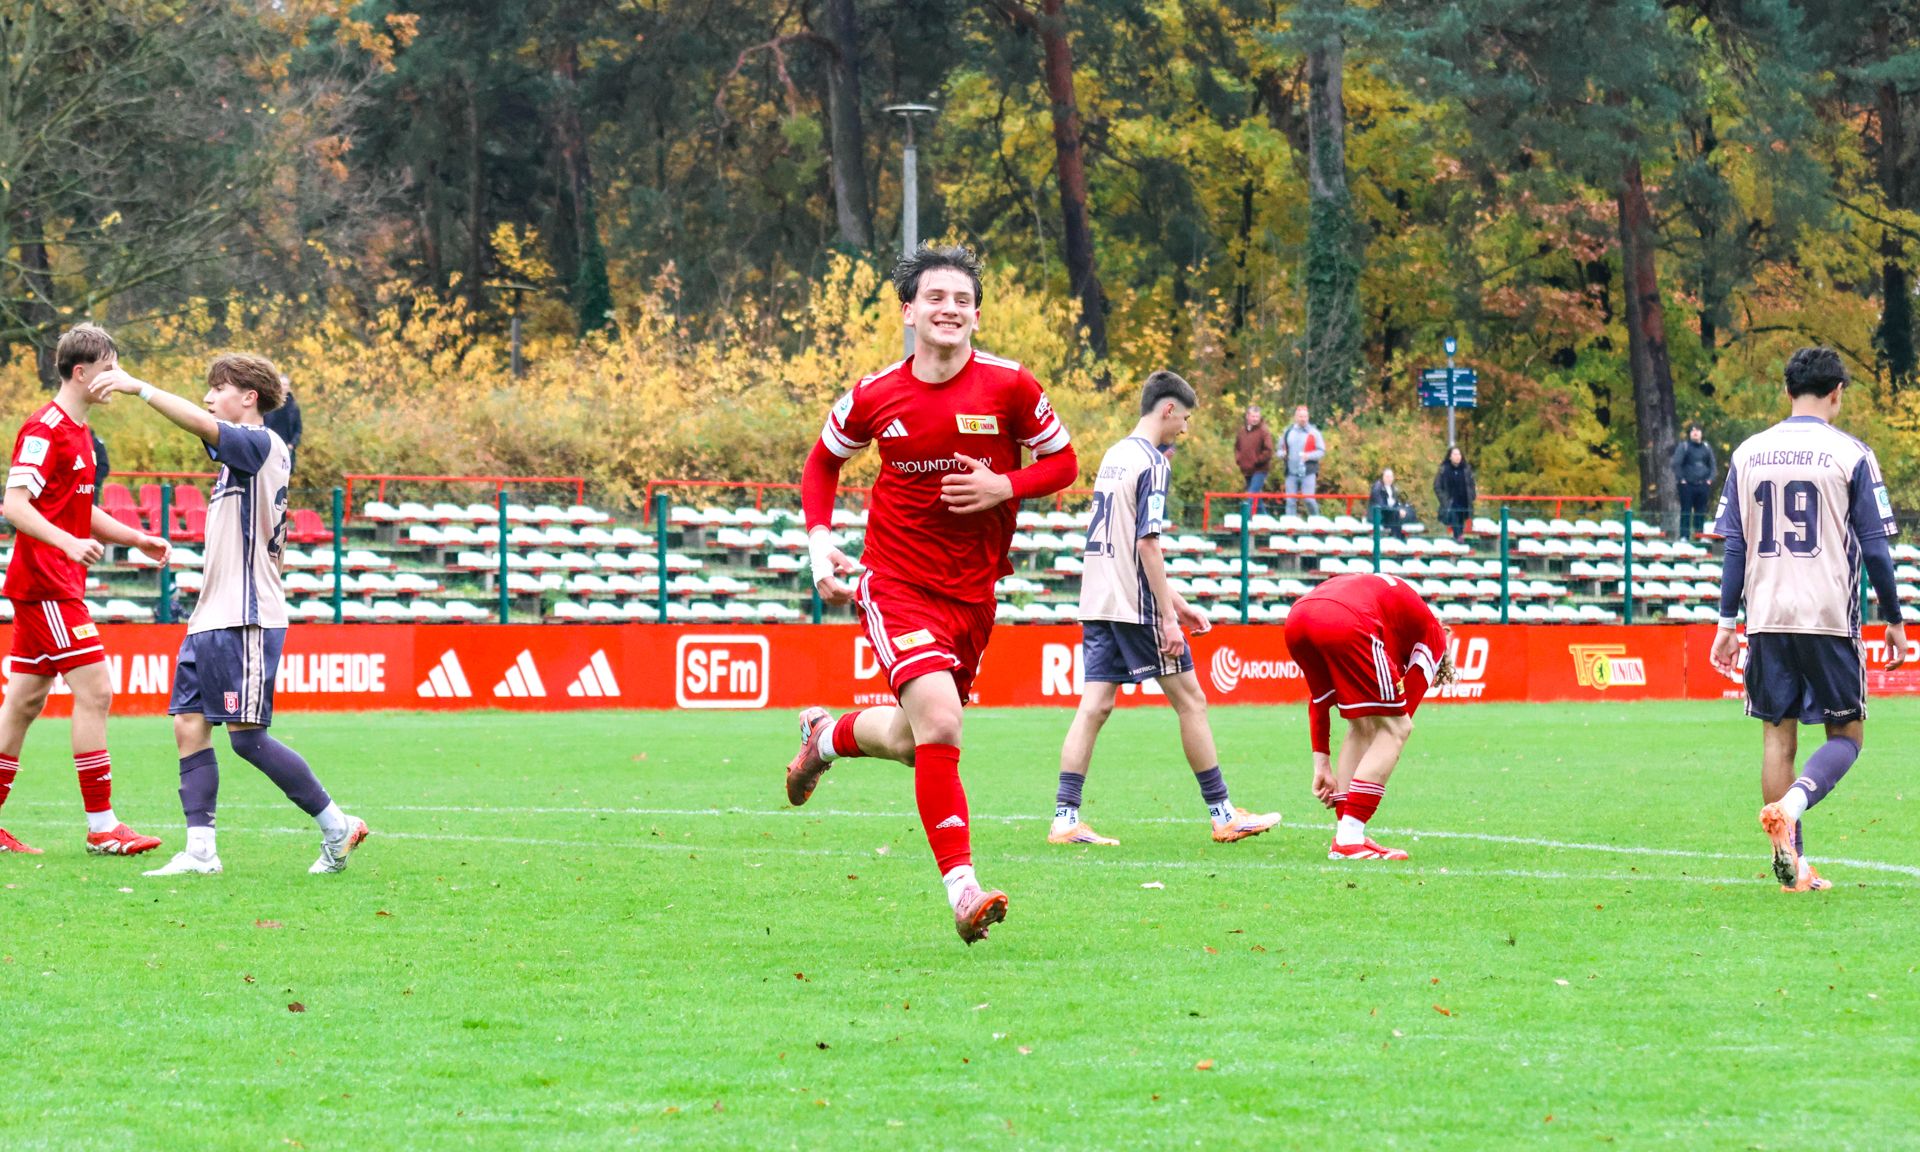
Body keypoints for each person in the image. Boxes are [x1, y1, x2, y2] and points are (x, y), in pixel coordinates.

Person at [783, 244, 1078, 945]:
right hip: (895, 582)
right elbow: (824, 460)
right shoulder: (876, 394)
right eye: (935, 298)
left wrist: (1004, 485)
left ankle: (824, 736)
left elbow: (1065, 463)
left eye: (962, 299)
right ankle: (963, 890)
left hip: (973, 595)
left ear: (976, 313)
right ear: (909, 311)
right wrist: (820, 539)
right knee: (942, 723)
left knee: (921, 741)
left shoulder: (1010, 386)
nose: (950, 309)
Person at [90, 354, 369, 877]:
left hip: (243, 617)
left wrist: (137, 387)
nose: (209, 397)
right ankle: (200, 851)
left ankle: (337, 825)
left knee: (247, 738)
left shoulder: (261, 443)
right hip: (211, 617)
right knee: (189, 725)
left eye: (218, 388)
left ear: (249, 398)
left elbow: (200, 423)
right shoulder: (240, 458)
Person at [1049, 370, 1281, 848]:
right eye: (1186, 419)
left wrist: (1180, 602)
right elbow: (1147, 543)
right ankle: (1223, 814)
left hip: (1099, 600)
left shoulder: (1115, 455)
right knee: (1191, 701)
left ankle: (1064, 819)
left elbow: (1123, 544)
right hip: (1136, 607)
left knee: (1093, 707)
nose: (1185, 430)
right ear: (1167, 410)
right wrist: (1168, 617)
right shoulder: (1153, 462)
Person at [1707, 346, 1905, 893]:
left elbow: (1734, 547)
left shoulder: (1749, 452)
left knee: (1778, 737)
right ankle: (1792, 806)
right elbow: (1876, 548)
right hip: (1826, 615)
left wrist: (1727, 621)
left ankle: (1790, 865)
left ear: (1787, 392)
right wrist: (1894, 618)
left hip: (1766, 615)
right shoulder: (1851, 454)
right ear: (1837, 392)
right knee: (1848, 735)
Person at [0, 324, 170, 857]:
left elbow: (76, 508)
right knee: (96, 691)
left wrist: (135, 537)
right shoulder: (44, 428)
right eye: (109, 370)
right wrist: (68, 545)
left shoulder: (81, 435)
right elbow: (15, 506)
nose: (115, 380)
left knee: (22, 704)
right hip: (48, 582)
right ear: (82, 372)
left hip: (51, 580)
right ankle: (102, 828)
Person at [1282, 572, 1452, 860]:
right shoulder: (1433, 638)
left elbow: (1319, 700)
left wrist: (1321, 764)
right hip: (1349, 620)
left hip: (1298, 617)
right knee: (1396, 728)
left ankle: (1345, 836)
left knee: (1361, 725)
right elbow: (1399, 717)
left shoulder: (1393, 612)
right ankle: (1349, 836)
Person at [1671, 423, 1716, 539]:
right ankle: (1684, 536)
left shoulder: (1707, 447)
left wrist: (1709, 480)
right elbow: (1676, 464)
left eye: (1697, 430)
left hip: (1703, 485)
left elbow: (1713, 465)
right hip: (1687, 486)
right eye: (1692, 431)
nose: (1695, 432)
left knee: (1700, 512)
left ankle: (1699, 536)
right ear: (1690, 434)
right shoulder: (1684, 446)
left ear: (1701, 433)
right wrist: (1681, 480)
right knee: (1686, 511)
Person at [1280, 404, 1325, 516]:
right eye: (1301, 417)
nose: (1303, 419)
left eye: (1305, 417)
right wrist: (1283, 454)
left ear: (1308, 417)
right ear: (1296, 417)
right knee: (1290, 500)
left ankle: (1316, 520)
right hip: (1291, 472)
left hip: (1308, 472)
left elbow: (1321, 451)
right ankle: (1290, 527)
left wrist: (1309, 456)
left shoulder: (1314, 433)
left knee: (1308, 499)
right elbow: (1279, 450)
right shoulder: (1287, 432)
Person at [1234, 404, 1274, 508]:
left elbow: (1268, 450)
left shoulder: (1264, 431)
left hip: (1260, 469)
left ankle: (1246, 520)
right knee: (1257, 499)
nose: (1255, 419)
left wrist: (1257, 460)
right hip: (1246, 469)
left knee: (1250, 496)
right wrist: (1239, 459)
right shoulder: (1242, 431)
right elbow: (1237, 447)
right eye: (1253, 416)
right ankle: (1264, 521)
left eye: (1257, 416)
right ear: (1247, 416)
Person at [1433, 446, 1475, 542]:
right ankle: (1458, 539)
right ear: (1450, 456)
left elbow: (1471, 484)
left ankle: (1459, 539)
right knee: (1455, 521)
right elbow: (1437, 486)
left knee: (1461, 522)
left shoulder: (1466, 469)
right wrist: (1443, 499)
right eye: (1454, 454)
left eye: (1459, 454)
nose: (1457, 456)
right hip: (1450, 503)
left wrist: (1472, 496)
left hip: (1464, 501)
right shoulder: (1443, 469)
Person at [262, 375, 302, 473]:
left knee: (284, 479)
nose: (283, 387)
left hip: (286, 448)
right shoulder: (268, 404)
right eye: (281, 384)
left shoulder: (294, 407)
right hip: (269, 447)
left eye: (285, 384)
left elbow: (298, 429)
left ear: (289, 387)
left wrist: (292, 444)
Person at [1369, 467, 1409, 539]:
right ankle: (1396, 539)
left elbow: (1396, 504)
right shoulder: (1377, 488)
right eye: (1387, 477)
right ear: (1383, 477)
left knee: (1407, 513)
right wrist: (1397, 511)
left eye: (1391, 477)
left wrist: (1402, 510)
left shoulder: (1393, 488)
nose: (1389, 479)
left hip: (1390, 515)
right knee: (1395, 516)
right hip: (1379, 515)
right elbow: (1381, 506)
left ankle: (1400, 539)